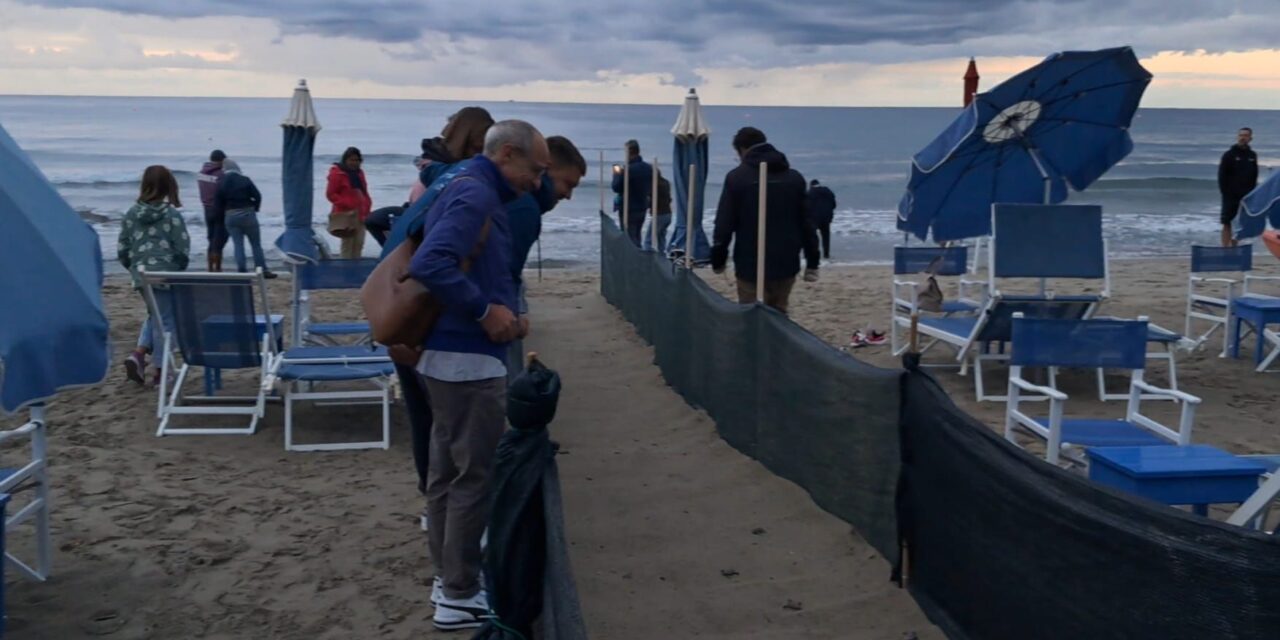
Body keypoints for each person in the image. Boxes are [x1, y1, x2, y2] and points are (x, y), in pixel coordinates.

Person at [408, 120, 548, 631]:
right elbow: (433, 262)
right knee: (473, 478)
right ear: (507, 154)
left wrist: (504, 312)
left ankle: (450, 580)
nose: (538, 181)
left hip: (447, 357)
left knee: (447, 477)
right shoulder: (476, 195)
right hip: (464, 359)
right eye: (535, 170)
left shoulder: (465, 183)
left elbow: (462, 266)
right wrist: (485, 311)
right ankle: (460, 591)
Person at [711, 127, 820, 314]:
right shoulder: (794, 179)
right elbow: (807, 223)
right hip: (786, 261)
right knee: (779, 313)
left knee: (751, 316)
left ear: (742, 149)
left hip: (749, 263)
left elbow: (724, 224)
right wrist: (812, 261)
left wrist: (718, 259)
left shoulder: (737, 178)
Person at [119, 166, 190, 385]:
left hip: (141, 275)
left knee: (156, 316)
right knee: (166, 322)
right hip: (165, 275)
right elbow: (182, 248)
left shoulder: (131, 214)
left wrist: (133, 267)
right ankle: (161, 369)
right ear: (169, 187)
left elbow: (123, 247)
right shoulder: (171, 215)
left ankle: (139, 355)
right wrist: (177, 269)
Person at [214, 159, 275, 278]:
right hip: (248, 214)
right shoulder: (245, 180)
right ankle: (262, 270)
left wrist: (222, 217)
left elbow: (218, 203)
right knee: (256, 244)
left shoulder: (221, 182)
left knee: (238, 245)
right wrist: (255, 208)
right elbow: (257, 196)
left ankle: (242, 271)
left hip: (231, 216)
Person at [326, 147, 373, 258]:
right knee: (347, 244)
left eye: (357, 160)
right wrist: (346, 204)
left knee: (359, 243)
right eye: (351, 160)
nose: (354, 163)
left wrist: (367, 205)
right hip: (346, 213)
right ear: (345, 160)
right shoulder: (337, 174)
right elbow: (331, 194)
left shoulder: (359, 173)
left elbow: (363, 191)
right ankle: (345, 270)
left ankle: (355, 269)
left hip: (361, 212)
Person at [1218, 127, 1258, 247]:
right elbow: (1222, 175)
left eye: (1245, 135)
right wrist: (1225, 192)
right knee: (1227, 222)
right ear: (1237, 137)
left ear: (1250, 138)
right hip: (1230, 195)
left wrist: (1253, 193)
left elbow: (1254, 174)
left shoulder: (1252, 155)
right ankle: (1225, 249)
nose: (1242, 138)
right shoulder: (1229, 155)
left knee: (1239, 224)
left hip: (1246, 196)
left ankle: (1234, 248)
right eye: (1241, 135)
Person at [610, 139, 653, 244]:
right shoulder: (648, 168)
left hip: (629, 208)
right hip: (642, 206)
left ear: (629, 152)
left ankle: (633, 259)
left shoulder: (628, 170)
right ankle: (639, 257)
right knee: (637, 235)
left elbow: (616, 187)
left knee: (629, 238)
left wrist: (616, 174)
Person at [196, 150, 227, 271]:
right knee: (220, 238)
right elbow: (223, 191)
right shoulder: (220, 174)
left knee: (211, 237)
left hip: (206, 208)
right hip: (219, 208)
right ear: (221, 161)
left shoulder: (201, 173)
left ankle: (210, 267)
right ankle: (218, 267)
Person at [642, 171, 674, 253]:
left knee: (649, 239)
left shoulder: (655, 186)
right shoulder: (665, 183)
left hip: (660, 214)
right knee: (661, 236)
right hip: (668, 213)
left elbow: (651, 200)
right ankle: (662, 255)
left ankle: (647, 256)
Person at [806, 179, 837, 259]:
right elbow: (834, 205)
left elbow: (807, 207)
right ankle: (826, 254)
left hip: (814, 218)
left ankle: (813, 253)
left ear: (811, 185)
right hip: (826, 217)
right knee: (826, 236)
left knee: (812, 236)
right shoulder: (828, 191)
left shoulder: (810, 193)